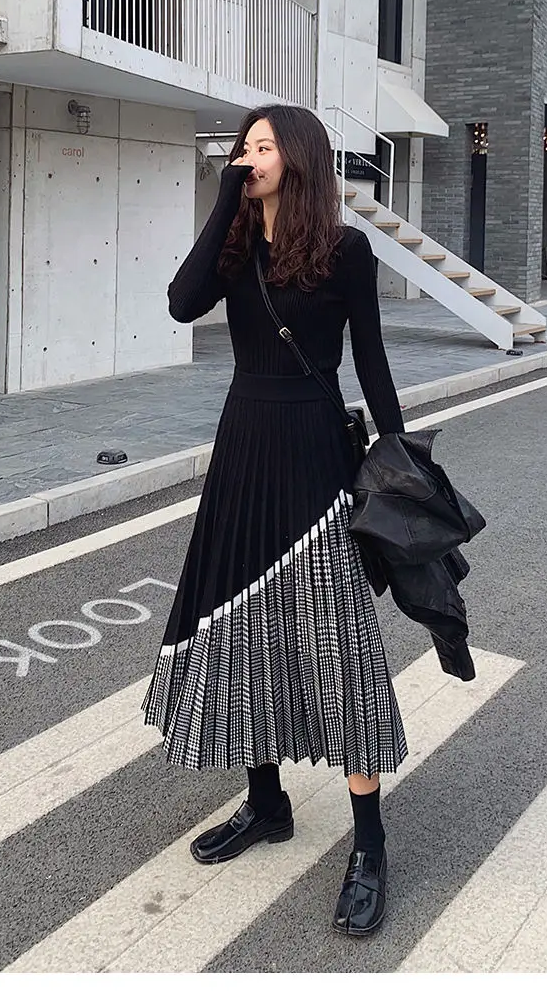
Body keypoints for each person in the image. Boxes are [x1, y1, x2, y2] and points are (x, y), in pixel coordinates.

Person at [142, 104, 406, 936]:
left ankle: (370, 845)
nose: (248, 157)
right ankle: (267, 802)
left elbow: (372, 360)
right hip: (243, 450)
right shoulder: (234, 248)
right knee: (239, 627)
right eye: (242, 148)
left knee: (335, 643)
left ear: (297, 157)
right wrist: (225, 201)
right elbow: (181, 303)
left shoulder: (346, 249)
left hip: (314, 455)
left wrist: (402, 463)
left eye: (262, 147)